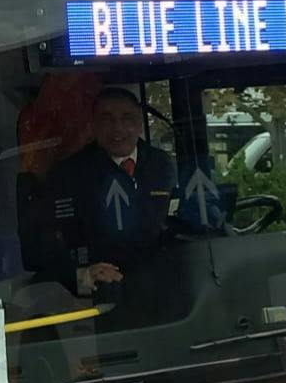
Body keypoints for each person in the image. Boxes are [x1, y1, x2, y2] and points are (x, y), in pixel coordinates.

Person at [27, 88, 178, 301]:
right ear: (93, 126)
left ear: (140, 124)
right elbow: (46, 245)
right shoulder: (68, 174)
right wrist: (82, 275)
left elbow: (175, 222)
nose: (118, 129)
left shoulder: (162, 165)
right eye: (107, 119)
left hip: (165, 293)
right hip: (99, 300)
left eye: (127, 118)